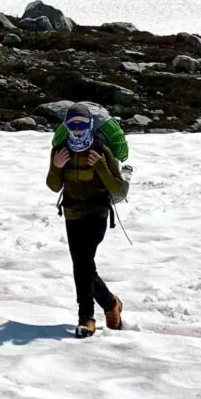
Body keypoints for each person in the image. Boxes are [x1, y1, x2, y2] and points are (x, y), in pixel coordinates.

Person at [47, 107, 126, 338]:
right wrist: (56, 166)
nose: (77, 129)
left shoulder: (101, 150)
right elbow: (53, 186)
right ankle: (110, 304)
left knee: (82, 264)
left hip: (97, 213)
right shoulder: (60, 151)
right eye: (72, 125)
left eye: (82, 124)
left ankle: (87, 317)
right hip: (72, 213)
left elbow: (117, 188)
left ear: (90, 125)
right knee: (82, 265)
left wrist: (101, 166)